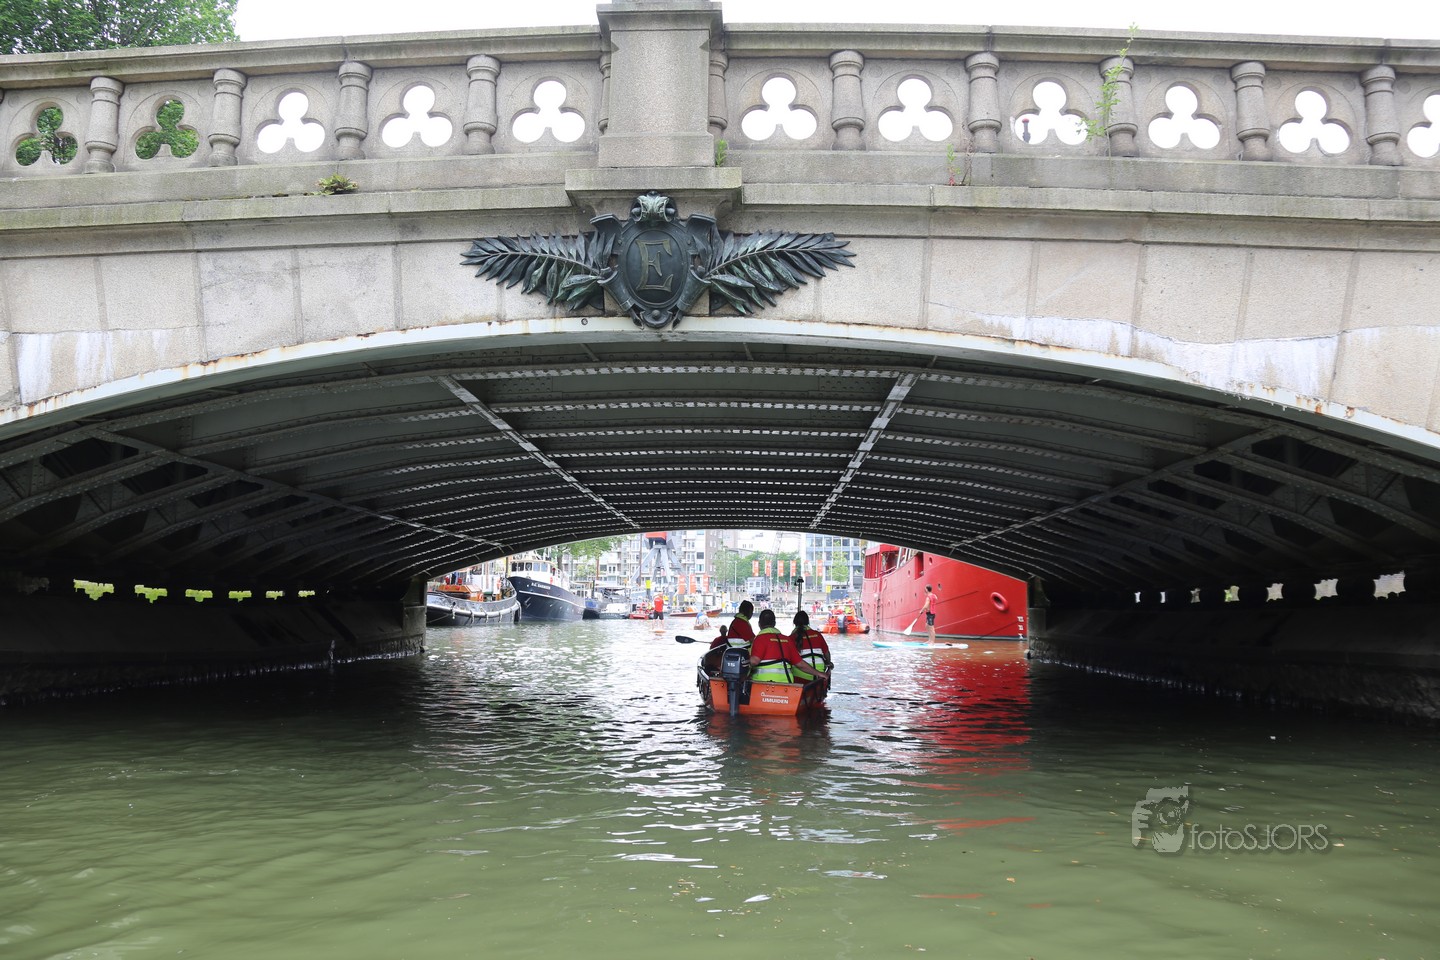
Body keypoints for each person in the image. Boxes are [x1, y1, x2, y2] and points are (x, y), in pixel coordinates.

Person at [749, 609, 828, 685]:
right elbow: (800, 664)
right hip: (787, 683)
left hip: (764, 684)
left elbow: (754, 661)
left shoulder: (760, 639)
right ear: (774, 623)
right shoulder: (787, 640)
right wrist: (819, 673)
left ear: (759, 624)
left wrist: (745, 660)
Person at [790, 610, 832, 688]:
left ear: (794, 623)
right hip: (820, 676)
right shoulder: (817, 635)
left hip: (800, 677)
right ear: (808, 622)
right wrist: (829, 663)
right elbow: (827, 653)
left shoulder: (791, 638)